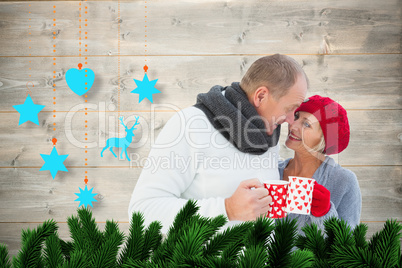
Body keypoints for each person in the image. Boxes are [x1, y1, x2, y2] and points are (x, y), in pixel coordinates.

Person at [129, 54, 308, 233]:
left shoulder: (266, 132)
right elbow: (143, 211)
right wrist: (226, 209)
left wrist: (299, 200)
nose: (292, 120)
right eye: (289, 108)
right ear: (261, 96)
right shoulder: (190, 125)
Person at [279, 95, 361, 231]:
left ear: (324, 138)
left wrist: (325, 214)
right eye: (296, 116)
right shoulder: (274, 171)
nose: (293, 125)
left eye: (306, 124)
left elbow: (349, 245)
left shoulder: (344, 181)